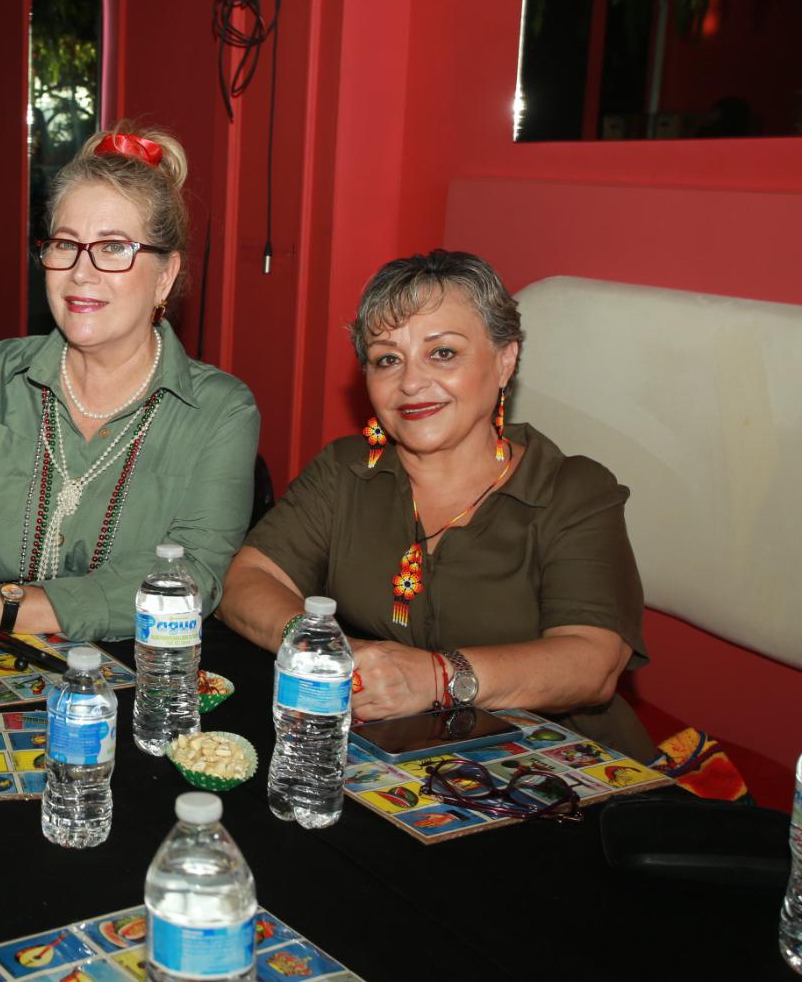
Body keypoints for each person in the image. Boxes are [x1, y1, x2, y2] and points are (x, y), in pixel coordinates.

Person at [218, 250, 654, 760]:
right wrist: (321, 646)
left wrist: (438, 677)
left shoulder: (573, 490)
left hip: (566, 777)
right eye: (387, 359)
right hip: (405, 764)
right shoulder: (347, 469)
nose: (410, 382)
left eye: (442, 352)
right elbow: (246, 580)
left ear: (505, 360)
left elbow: (592, 663)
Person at [0, 123, 259, 678]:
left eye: (113, 248)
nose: (80, 272)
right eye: (64, 244)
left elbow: (189, 582)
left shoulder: (220, 411)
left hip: (135, 692)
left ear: (165, 276)